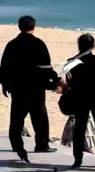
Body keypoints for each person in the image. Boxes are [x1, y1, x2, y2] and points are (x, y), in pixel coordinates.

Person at [0, 15, 59, 163]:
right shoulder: (38, 44)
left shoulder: (12, 45)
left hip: (18, 88)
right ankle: (41, 144)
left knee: (16, 119)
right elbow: (46, 67)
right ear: (33, 27)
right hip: (35, 88)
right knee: (39, 118)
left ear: (19, 27)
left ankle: (16, 145)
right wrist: (52, 83)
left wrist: (4, 85)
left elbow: (4, 68)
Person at [64, 34, 95, 168]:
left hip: (80, 96)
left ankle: (77, 159)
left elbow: (69, 81)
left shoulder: (71, 61)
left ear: (79, 45)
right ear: (92, 46)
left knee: (79, 128)